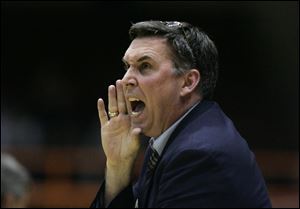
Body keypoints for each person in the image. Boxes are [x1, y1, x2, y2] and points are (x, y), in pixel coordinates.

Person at [90, 20, 272, 208]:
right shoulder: (175, 138)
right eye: (127, 66)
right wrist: (118, 165)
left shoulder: (198, 155)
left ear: (188, 82)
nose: (126, 79)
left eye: (144, 66)